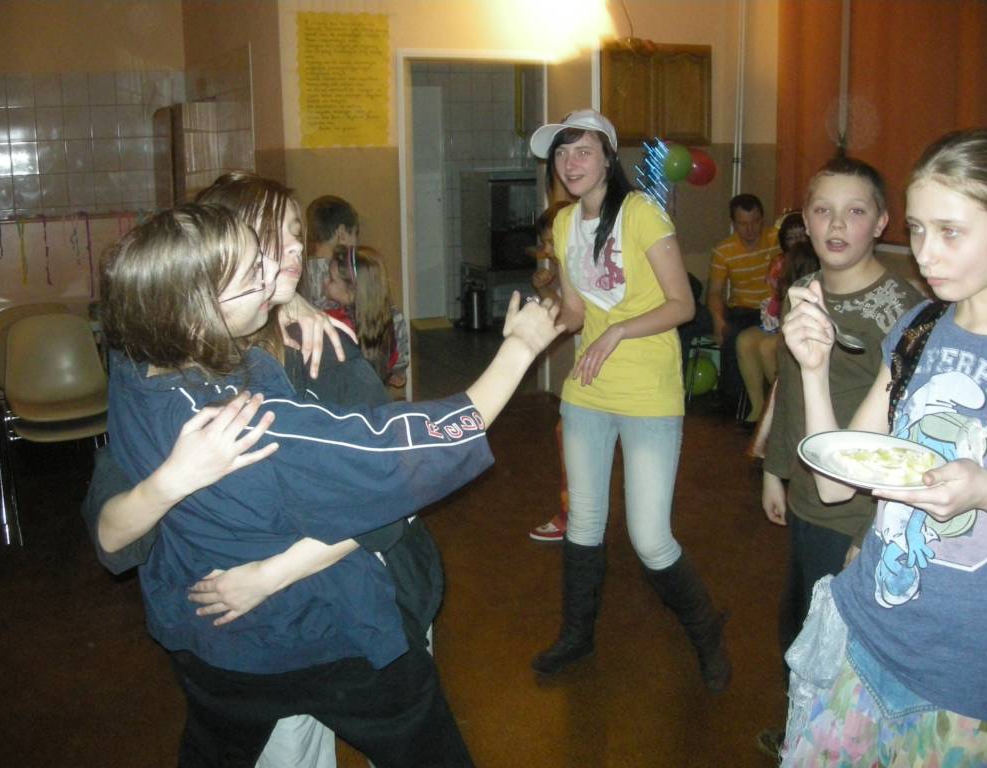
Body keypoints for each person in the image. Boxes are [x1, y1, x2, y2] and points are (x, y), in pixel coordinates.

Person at [100, 202, 563, 766]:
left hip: (211, 649)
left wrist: (289, 299)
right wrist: (520, 348)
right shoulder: (244, 426)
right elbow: (402, 451)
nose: (274, 274)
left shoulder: (133, 361)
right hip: (319, 639)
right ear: (197, 312)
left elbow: (111, 530)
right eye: (253, 274)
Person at [85, 172, 391, 768]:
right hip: (240, 638)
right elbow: (112, 527)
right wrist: (172, 481)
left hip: (349, 603)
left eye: (297, 233)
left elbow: (387, 505)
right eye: (266, 240)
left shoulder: (323, 352)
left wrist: (268, 576)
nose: (293, 249)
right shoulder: (150, 363)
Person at [779, 130, 987, 764]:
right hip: (867, 638)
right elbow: (834, 484)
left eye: (951, 232)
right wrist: (814, 368)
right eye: (919, 229)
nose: (925, 254)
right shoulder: (921, 327)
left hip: (968, 678)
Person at [526, 108, 731, 691]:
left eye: (583, 150)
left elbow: (682, 305)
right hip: (588, 390)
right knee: (583, 522)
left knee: (650, 537)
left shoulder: (642, 213)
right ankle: (577, 635)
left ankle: (707, 634)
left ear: (608, 158)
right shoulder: (565, 225)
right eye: (562, 152)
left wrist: (617, 331)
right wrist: (542, 321)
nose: (570, 163)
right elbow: (576, 312)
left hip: (648, 393)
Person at [753, 158, 923, 759]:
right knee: (797, 628)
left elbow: (911, 436)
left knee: (839, 653)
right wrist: (774, 468)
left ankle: (820, 745)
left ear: (881, 222)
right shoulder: (805, 291)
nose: (837, 224)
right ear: (806, 218)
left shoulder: (904, 313)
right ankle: (800, 733)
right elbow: (790, 388)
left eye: (855, 211)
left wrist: (872, 531)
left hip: (856, 514)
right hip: (808, 497)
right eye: (823, 210)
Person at [707, 193, 781, 417]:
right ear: (733, 223)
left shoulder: (776, 240)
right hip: (742, 309)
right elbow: (714, 293)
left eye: (755, 222)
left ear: (762, 220)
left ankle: (744, 402)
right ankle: (732, 400)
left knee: (740, 336)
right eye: (743, 224)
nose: (750, 229)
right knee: (730, 331)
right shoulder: (724, 250)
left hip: (771, 309)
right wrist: (718, 320)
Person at [736, 212, 808, 423]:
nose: (796, 242)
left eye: (801, 236)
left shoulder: (815, 261)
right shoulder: (779, 263)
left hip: (799, 324)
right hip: (777, 320)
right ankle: (759, 407)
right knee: (744, 340)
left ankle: (780, 408)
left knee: (767, 347)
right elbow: (775, 297)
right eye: (791, 237)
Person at [528, 200, 573, 543]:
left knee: (569, 435)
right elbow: (566, 315)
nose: (547, 250)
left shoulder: (584, 269)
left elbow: (569, 319)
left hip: (615, 369)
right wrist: (545, 289)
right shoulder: (570, 269)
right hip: (596, 368)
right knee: (569, 435)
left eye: (551, 241)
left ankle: (573, 517)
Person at [322, 244, 410, 389]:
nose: (325, 282)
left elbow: (399, 369)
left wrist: (397, 374)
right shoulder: (325, 315)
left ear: (352, 291)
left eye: (331, 279)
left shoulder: (331, 321)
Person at [301, 195, 359, 309]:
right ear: (342, 234)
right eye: (355, 233)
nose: (356, 242)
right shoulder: (344, 276)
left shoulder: (300, 271)